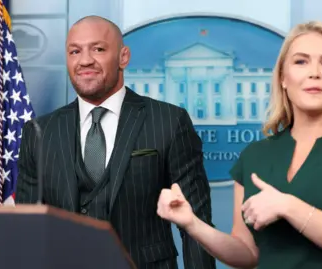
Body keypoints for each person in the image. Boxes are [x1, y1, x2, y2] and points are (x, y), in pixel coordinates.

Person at [157, 21, 322, 269]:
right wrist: (192, 224)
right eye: (301, 61)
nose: (314, 72)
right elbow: (246, 253)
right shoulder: (255, 155)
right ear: (283, 78)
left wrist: (288, 206)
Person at [15, 15, 216, 269]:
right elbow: (27, 230)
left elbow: (197, 225)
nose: (85, 60)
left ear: (123, 57)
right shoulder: (38, 131)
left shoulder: (169, 121)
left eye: (98, 49)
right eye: (75, 51)